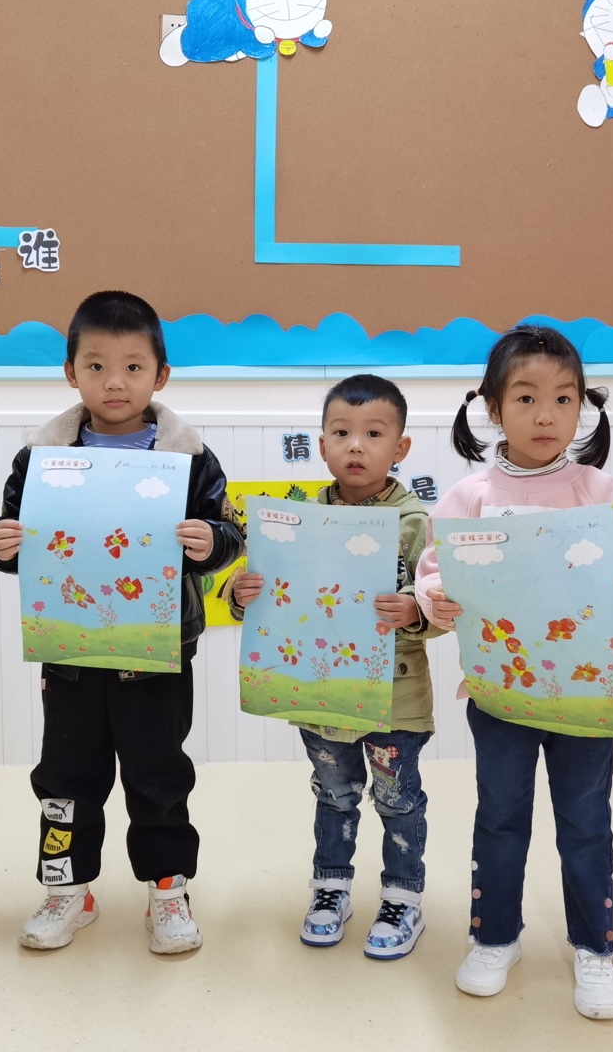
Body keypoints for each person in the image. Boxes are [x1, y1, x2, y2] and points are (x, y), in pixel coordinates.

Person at [0, 290, 243, 955]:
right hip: (70, 652)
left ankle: (168, 889)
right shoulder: (41, 456)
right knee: (65, 776)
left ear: (161, 375)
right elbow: (13, 541)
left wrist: (210, 542)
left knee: (159, 774)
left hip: (158, 652)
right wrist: (2, 546)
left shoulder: (189, 455)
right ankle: (67, 889)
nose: (115, 381)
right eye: (96, 365)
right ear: (71, 373)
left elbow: (228, 534)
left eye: (133, 366)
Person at [415, 326, 613, 1020]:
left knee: (586, 821)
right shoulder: (470, 495)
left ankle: (595, 946)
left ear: (582, 406)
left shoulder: (600, 490)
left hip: (586, 694)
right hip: (500, 695)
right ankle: (495, 936)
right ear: (493, 408)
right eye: (526, 398)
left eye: (563, 398)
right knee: (500, 817)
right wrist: (435, 600)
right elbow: (434, 573)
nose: (546, 414)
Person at [230, 374, 439, 959]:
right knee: (334, 793)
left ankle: (403, 896)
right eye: (342, 433)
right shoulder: (293, 522)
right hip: (319, 695)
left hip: (396, 698)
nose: (356, 446)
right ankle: (331, 888)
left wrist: (416, 610)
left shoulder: (415, 523)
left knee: (397, 798)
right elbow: (259, 595)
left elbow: (448, 607)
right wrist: (243, 595)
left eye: (374, 434)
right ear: (321, 446)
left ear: (400, 447)